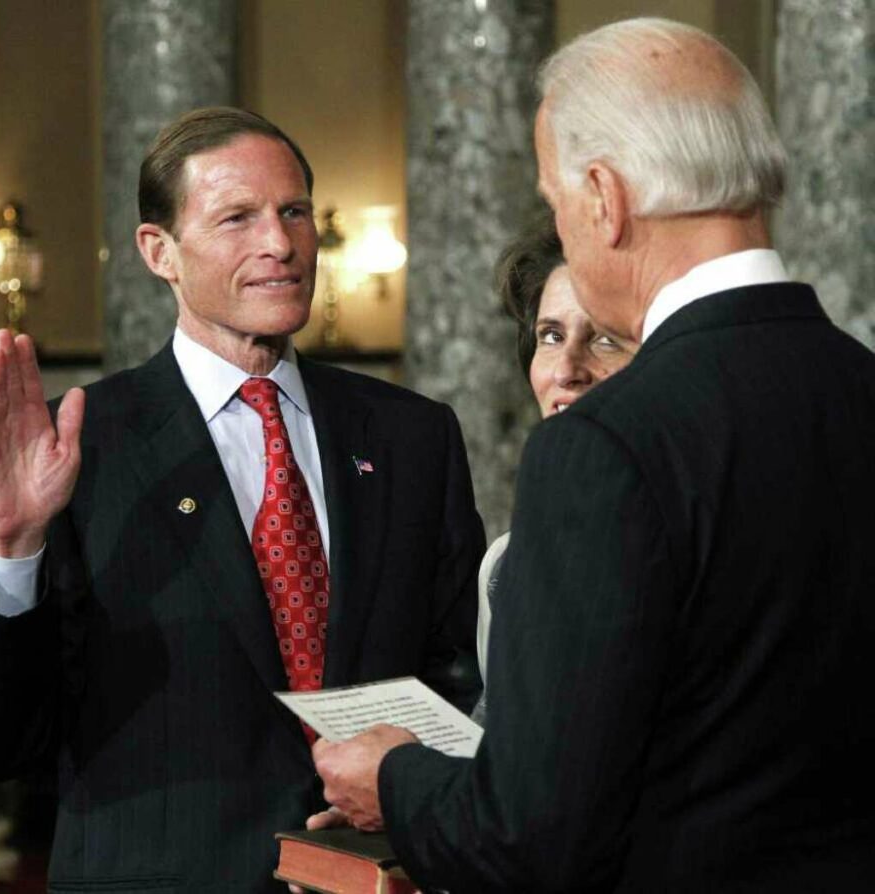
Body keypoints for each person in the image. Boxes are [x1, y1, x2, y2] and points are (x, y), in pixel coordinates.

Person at [314, 18, 875, 892]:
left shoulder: (607, 444)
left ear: (604, 199)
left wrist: (394, 779)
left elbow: (530, 837)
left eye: (555, 203)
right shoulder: (858, 384)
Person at [0, 107, 485, 893]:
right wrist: (11, 546)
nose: (280, 243)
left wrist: (407, 790)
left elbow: (461, 676)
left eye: (294, 211)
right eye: (238, 218)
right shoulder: (80, 448)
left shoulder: (412, 436)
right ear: (159, 251)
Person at [473, 231, 635, 723]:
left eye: (604, 339)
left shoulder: (693, 542)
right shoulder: (504, 564)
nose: (566, 370)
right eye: (551, 336)